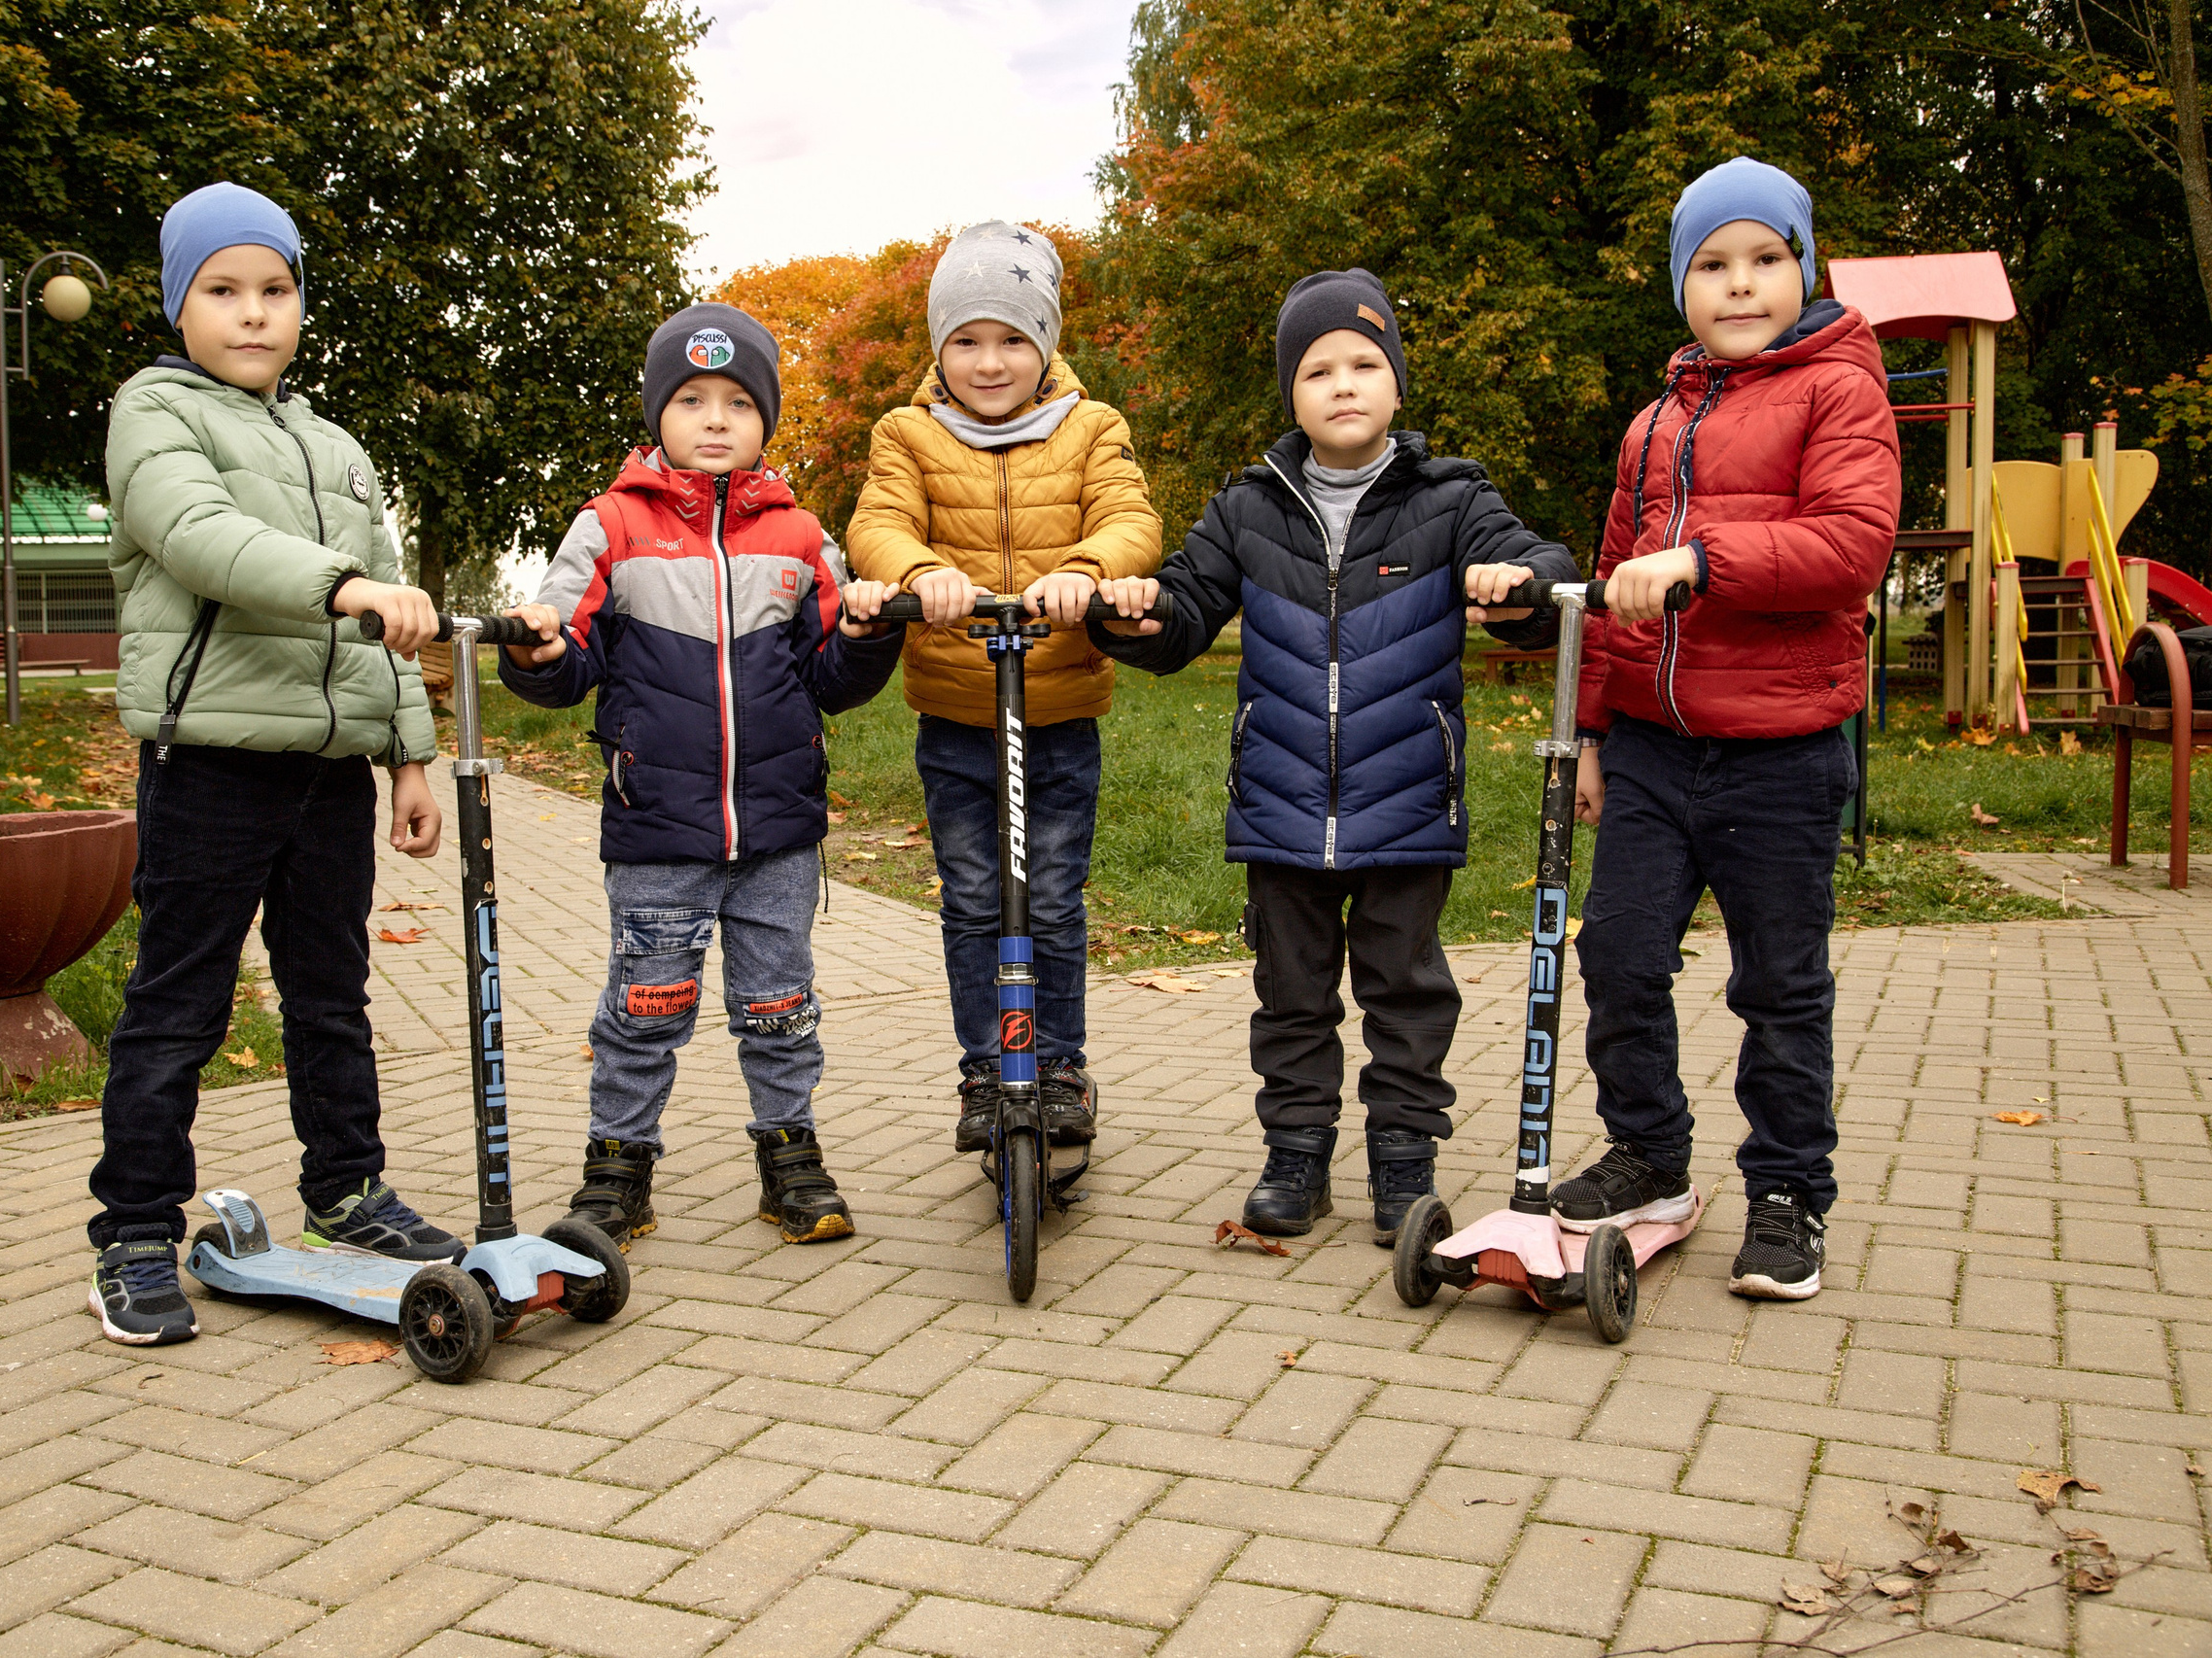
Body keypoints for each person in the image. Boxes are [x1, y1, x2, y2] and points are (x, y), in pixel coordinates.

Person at [1090, 268, 1575, 1242]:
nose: (1343, 383)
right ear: (1292, 394)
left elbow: (1544, 574)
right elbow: (1182, 614)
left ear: (1396, 383)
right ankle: (1296, 1156)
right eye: (1318, 370)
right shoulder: (1246, 510)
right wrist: (1131, 615)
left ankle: (1404, 1162)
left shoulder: (1450, 496)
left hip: (1404, 803)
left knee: (1406, 996)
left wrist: (1517, 582)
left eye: (1365, 363)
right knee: (1291, 997)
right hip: (1279, 804)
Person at [87, 182, 457, 1345]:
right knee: (178, 1006)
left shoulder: (334, 446)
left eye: (277, 289)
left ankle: (347, 1191)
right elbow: (199, 534)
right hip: (209, 765)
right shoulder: (154, 412)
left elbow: (393, 615)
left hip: (328, 775)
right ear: (178, 304)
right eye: (224, 290)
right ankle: (137, 1231)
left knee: (332, 998)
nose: (255, 314)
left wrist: (407, 756)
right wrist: (337, 585)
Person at [1558, 156, 1900, 1299]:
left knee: (1779, 984)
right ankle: (1649, 1151)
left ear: (1802, 269)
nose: (1739, 285)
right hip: (1654, 749)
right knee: (1615, 951)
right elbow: (1613, 581)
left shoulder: (1840, 391)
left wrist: (1703, 560)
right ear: (1679, 283)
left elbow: (1850, 543)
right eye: (1711, 264)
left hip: (1784, 750)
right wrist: (1597, 728)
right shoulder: (1653, 423)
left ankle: (1789, 1190)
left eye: (1764, 259)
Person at [500, 303, 903, 1246]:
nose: (715, 417)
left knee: (780, 1007)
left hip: (778, 831)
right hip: (659, 829)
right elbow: (567, 662)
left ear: (764, 418)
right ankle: (617, 1167)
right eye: (691, 398)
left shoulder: (802, 536)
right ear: (657, 415)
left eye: (736, 400)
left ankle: (789, 1157)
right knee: (645, 1007)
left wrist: (868, 634)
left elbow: (832, 679)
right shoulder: (609, 527)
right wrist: (536, 650)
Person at [845, 222, 1161, 1157]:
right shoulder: (905, 432)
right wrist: (921, 573)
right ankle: (987, 1069)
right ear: (940, 348)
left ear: (1047, 343)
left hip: (1058, 710)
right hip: (956, 712)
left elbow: (1131, 518)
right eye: (968, 340)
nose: (991, 361)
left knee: (1054, 898)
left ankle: (1059, 1064)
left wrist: (1087, 567)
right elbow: (877, 526)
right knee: (975, 900)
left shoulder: (1093, 426)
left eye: (1013, 338)